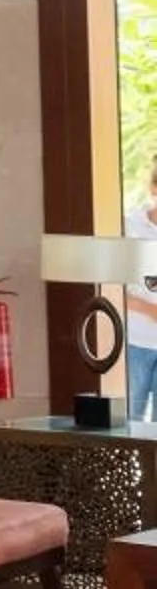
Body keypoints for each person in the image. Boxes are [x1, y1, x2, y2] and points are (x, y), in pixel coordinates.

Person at [128, 156, 157, 421]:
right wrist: (147, 308)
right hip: (134, 342)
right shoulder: (130, 226)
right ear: (153, 189)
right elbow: (109, 287)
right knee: (128, 421)